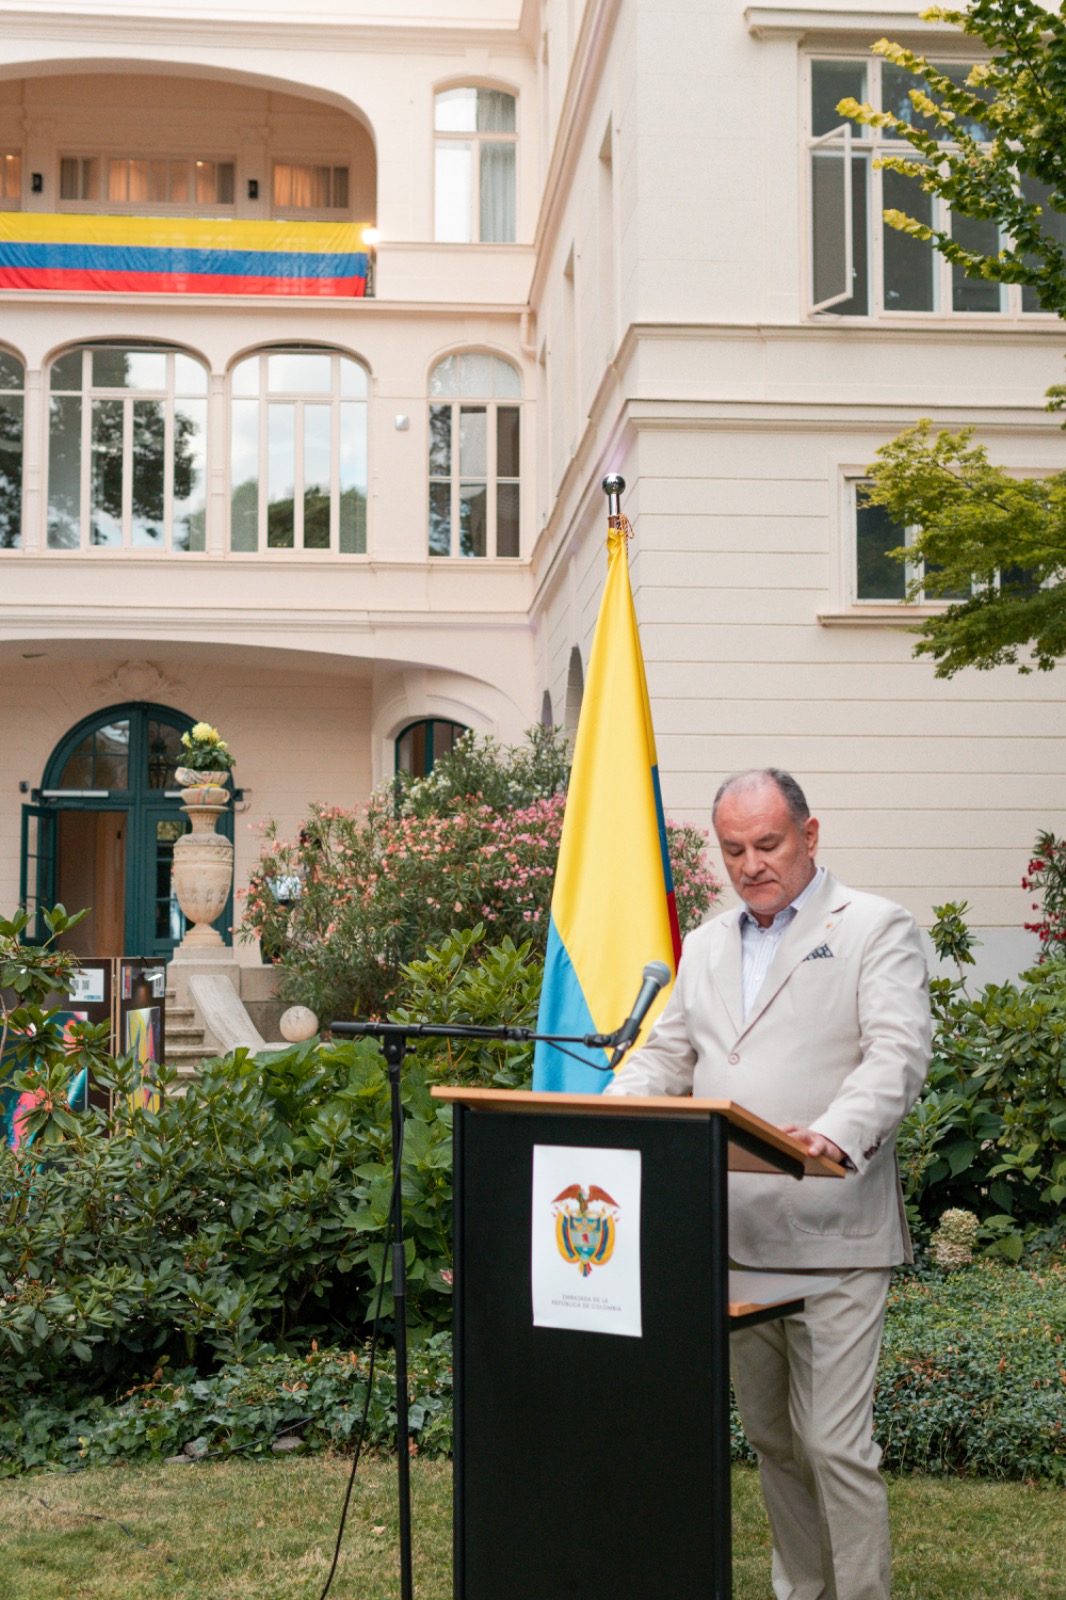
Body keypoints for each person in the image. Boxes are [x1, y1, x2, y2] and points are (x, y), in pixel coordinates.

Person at [603, 768, 930, 1600]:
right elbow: (668, 1056)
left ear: (810, 837)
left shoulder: (874, 927)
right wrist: (606, 1115)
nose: (750, 864)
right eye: (733, 849)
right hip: (735, 1235)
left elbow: (896, 1055)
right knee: (775, 1441)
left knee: (835, 1445)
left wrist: (833, 1132)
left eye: (768, 844)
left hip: (832, 1230)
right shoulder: (708, 944)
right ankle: (803, 1592)